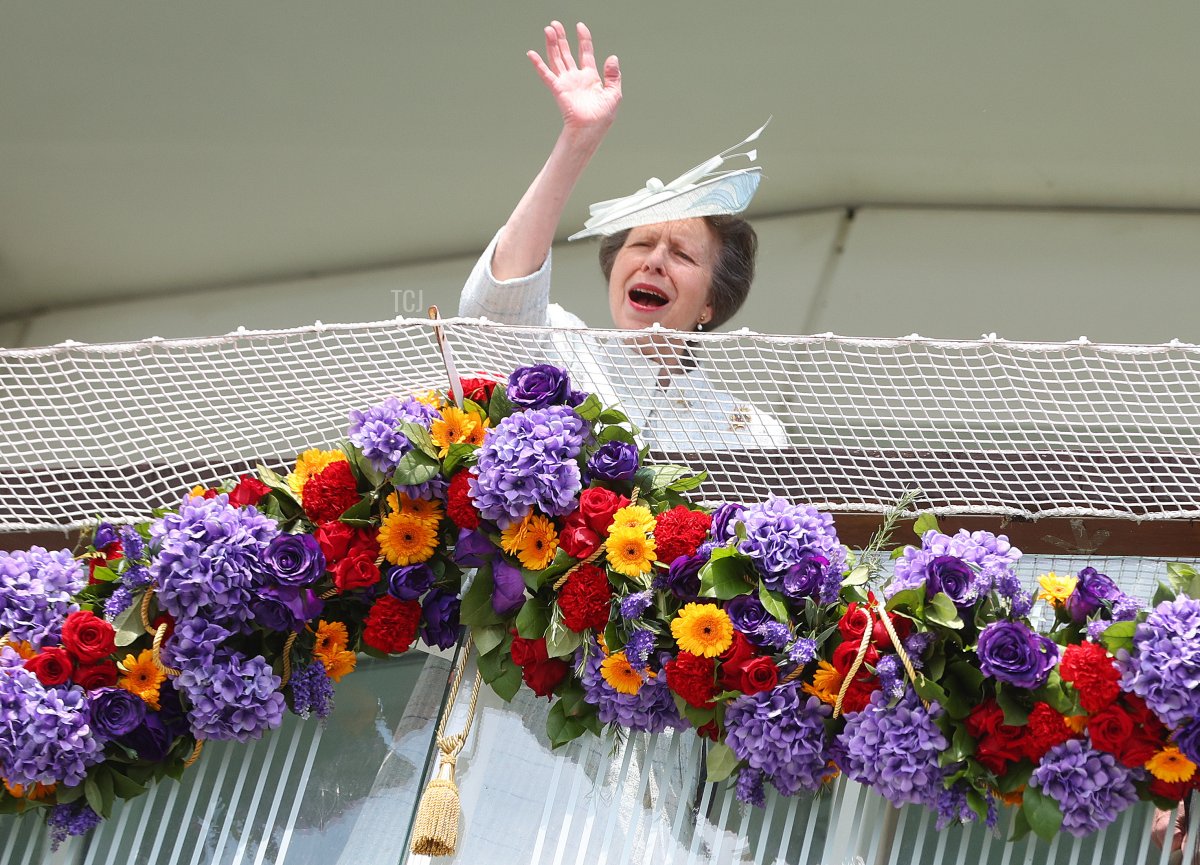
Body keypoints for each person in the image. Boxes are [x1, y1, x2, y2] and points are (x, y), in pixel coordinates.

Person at [460, 21, 786, 452]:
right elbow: (494, 309)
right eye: (641, 244)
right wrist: (576, 144)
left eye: (683, 255)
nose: (654, 261)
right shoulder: (558, 350)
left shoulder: (751, 432)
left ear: (710, 303)